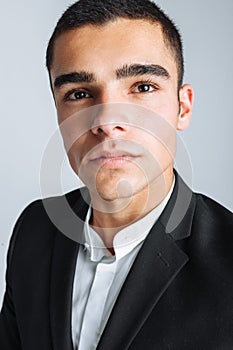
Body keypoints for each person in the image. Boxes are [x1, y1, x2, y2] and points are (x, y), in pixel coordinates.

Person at [1, 0, 233, 349]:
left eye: (142, 87)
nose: (106, 123)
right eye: (79, 94)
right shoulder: (34, 229)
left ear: (182, 107)